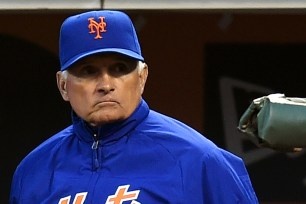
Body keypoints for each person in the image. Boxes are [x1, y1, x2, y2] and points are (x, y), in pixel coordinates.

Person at [9, 10, 258, 204]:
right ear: (63, 85)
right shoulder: (35, 170)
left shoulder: (199, 160)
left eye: (119, 69)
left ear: (142, 78)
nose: (106, 84)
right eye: (88, 71)